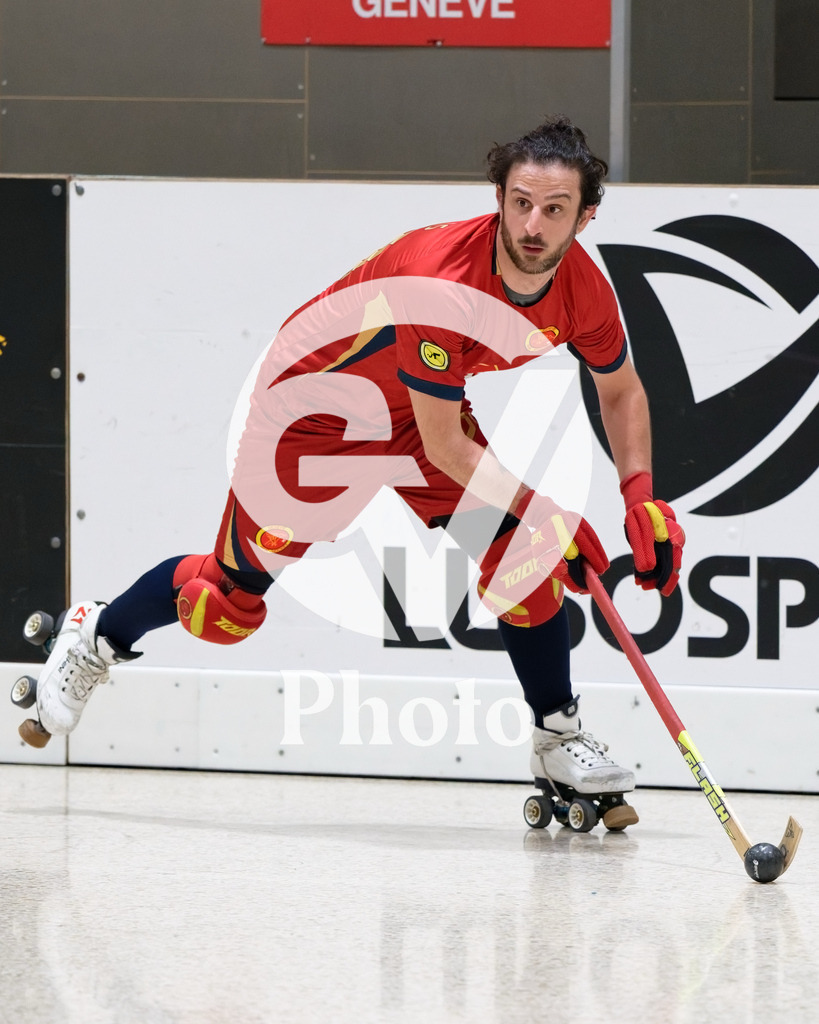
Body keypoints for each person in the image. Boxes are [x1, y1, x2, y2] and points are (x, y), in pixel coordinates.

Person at [19, 117, 684, 826]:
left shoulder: (582, 287)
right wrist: (551, 514)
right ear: (497, 196)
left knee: (523, 559)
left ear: (585, 217)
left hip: (412, 413)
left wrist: (639, 496)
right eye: (519, 202)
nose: (532, 223)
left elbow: (620, 390)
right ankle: (94, 635)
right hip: (310, 414)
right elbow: (447, 449)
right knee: (223, 607)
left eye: (554, 209)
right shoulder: (441, 280)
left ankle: (556, 738)